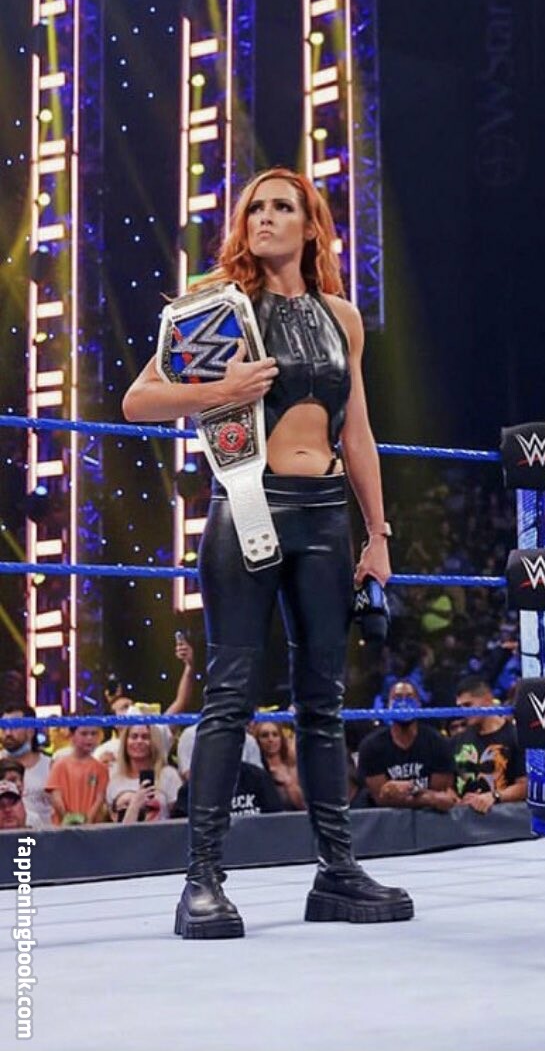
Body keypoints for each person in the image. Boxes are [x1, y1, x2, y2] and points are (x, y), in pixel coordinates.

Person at [123, 167, 412, 938]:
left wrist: (378, 534)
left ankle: (337, 870)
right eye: (256, 207)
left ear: (311, 225)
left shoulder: (341, 317)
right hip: (248, 501)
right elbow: (138, 398)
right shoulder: (220, 308)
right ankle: (202, 879)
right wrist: (215, 391)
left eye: (283, 206)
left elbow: (358, 431)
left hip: (324, 516)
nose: (266, 217)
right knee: (229, 695)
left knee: (323, 700)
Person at [356, 682, 458, 811]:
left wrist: (411, 790)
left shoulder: (437, 743)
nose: (403, 703)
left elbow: (440, 795)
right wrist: (428, 797)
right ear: (388, 705)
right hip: (385, 819)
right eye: (397, 698)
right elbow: (381, 798)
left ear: (418, 704)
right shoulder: (371, 746)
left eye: (409, 697)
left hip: (429, 817)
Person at [452, 676, 527, 813]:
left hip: (505, 818)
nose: (463, 712)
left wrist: (494, 796)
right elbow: (448, 785)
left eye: (468, 705)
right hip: (463, 819)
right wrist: (453, 799)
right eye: (460, 707)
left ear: (487, 700)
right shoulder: (457, 740)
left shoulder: (515, 736)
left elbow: (525, 785)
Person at [44, 726, 109, 825]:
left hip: (92, 827)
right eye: (84, 734)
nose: (89, 738)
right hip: (63, 826)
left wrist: (88, 820)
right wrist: (67, 818)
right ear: (72, 736)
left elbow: (99, 798)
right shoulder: (59, 765)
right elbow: (56, 796)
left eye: (94, 734)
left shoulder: (101, 768)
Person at [251, 721, 305, 811]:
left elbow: (304, 806)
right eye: (265, 735)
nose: (270, 739)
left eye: (275, 735)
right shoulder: (253, 772)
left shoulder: (293, 767)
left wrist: (288, 783)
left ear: (281, 739)